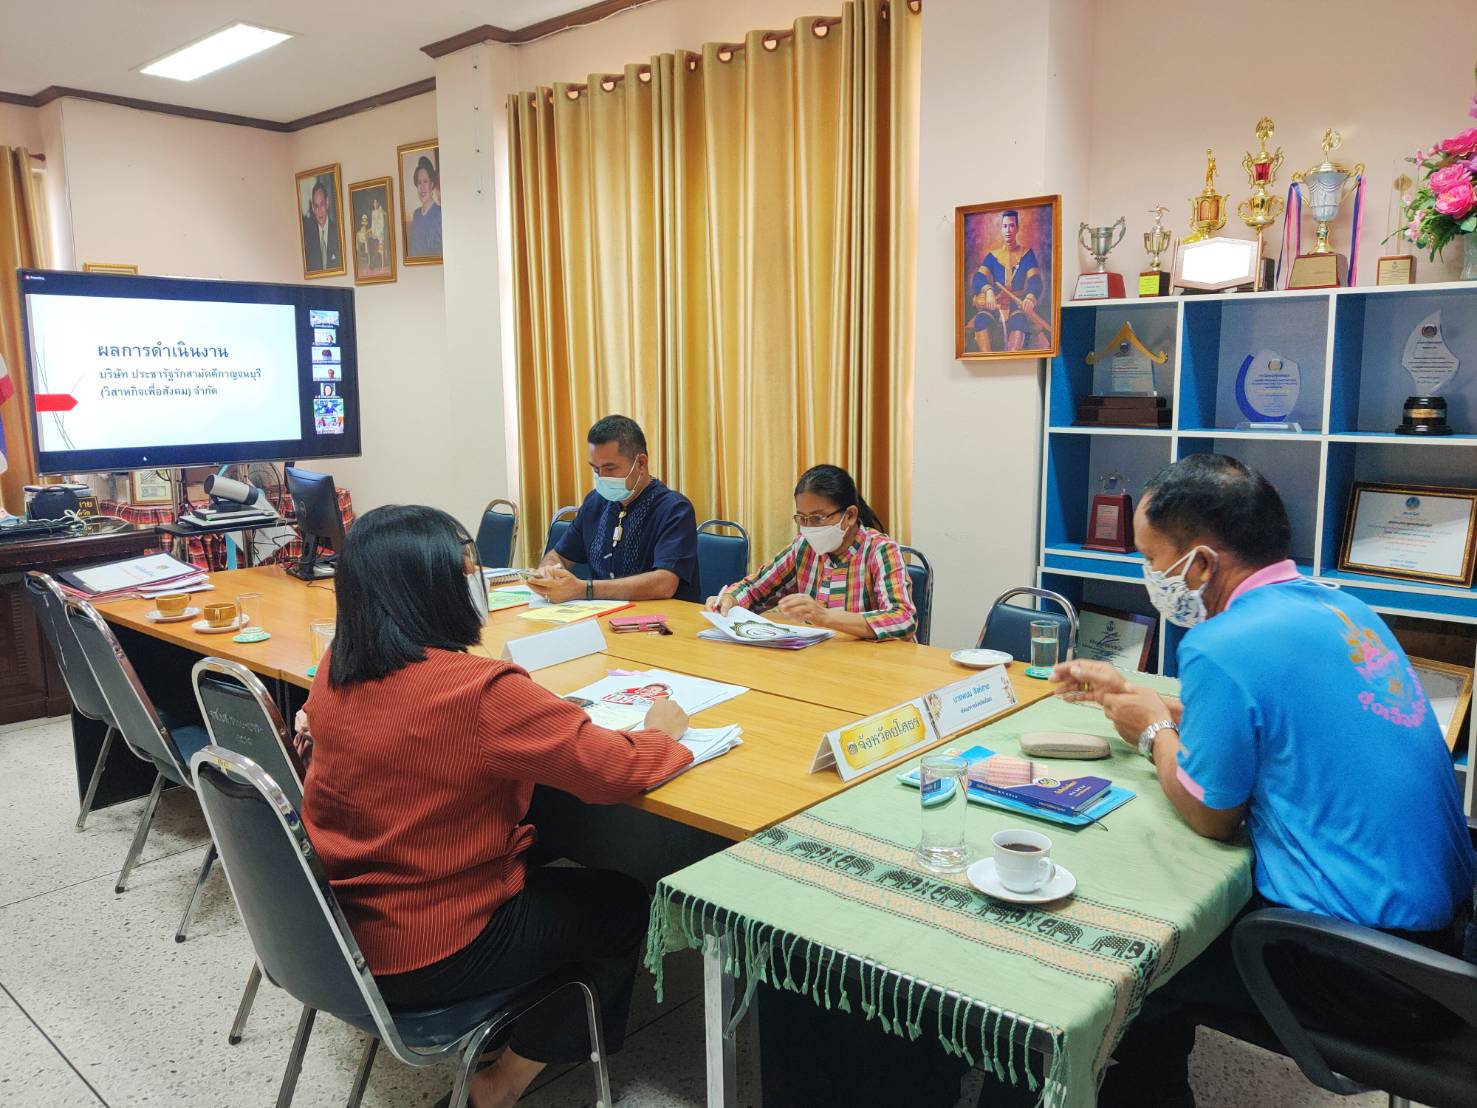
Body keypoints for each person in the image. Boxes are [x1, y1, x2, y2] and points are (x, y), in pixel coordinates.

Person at [1050, 454, 1475, 1108]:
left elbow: (1210, 814)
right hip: (1447, 944)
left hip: (1370, 971)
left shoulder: (1223, 642)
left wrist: (1151, 734)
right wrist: (1138, 699)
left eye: (1149, 557)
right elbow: (1276, 730)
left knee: (1131, 963)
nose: (1146, 574)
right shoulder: (1342, 612)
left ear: (1199, 562)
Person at [296, 504, 693, 1108]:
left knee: (546, 841)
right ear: (432, 589)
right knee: (620, 905)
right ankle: (499, 1084)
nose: (478, 579)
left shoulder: (337, 666)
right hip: (430, 945)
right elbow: (612, 770)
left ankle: (503, 1028)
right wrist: (663, 734)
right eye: (466, 570)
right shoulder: (479, 693)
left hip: (335, 934)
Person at [709, 464, 915, 641]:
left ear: (850, 515)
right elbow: (755, 588)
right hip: (821, 661)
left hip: (873, 668)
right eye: (802, 518)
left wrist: (825, 617)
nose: (809, 528)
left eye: (818, 518)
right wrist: (729, 600)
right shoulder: (803, 548)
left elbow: (903, 619)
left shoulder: (880, 551)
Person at [531, 414, 700, 603]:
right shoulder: (594, 503)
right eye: (596, 470)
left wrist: (584, 589)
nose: (601, 478)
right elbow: (559, 555)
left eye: (610, 469)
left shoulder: (674, 509)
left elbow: (664, 583)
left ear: (641, 464)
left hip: (658, 623)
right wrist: (547, 571)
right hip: (602, 618)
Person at [967, 208, 1046, 351]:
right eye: (1005, 226)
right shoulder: (992, 256)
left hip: (1017, 305)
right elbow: (978, 278)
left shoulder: (1027, 254)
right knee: (980, 320)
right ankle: (987, 362)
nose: (1008, 230)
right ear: (1001, 229)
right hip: (995, 304)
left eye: (1011, 225)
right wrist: (989, 291)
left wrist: (1029, 298)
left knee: (1019, 321)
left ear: (1017, 228)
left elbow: (1035, 281)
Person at [302, 178, 342, 272]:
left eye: (322, 204)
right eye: (316, 206)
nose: (319, 210)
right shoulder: (308, 238)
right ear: (312, 207)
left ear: (327, 203)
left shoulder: (338, 233)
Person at [408, 155, 443, 257]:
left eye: (425, 181)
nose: (422, 187)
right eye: (419, 182)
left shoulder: (440, 214)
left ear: (432, 184)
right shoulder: (416, 214)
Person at [370, 194, 388, 267]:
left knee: (380, 246)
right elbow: (373, 223)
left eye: (376, 202)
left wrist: (380, 232)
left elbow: (382, 223)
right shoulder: (373, 212)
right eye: (374, 203)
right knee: (374, 245)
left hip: (380, 231)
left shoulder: (380, 211)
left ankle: (379, 262)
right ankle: (374, 262)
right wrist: (373, 232)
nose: (375, 204)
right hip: (375, 232)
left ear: (378, 203)